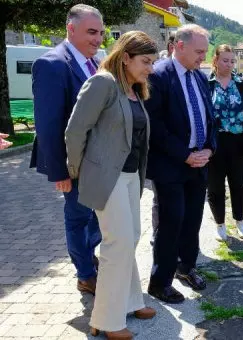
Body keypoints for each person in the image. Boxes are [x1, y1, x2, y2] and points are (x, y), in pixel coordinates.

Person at [65, 30, 158, 340]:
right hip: (108, 176)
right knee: (116, 243)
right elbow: (75, 130)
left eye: (152, 62)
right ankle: (105, 319)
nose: (150, 69)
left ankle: (131, 301)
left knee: (129, 237)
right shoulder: (103, 82)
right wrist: (76, 172)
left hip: (131, 175)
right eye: (145, 62)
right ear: (125, 57)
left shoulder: (134, 88)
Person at [30, 4, 102, 295]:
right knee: (77, 218)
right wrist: (60, 171)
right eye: (91, 32)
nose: (98, 39)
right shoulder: (52, 64)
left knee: (94, 217)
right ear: (70, 29)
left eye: (100, 32)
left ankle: (89, 259)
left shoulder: (94, 63)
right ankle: (85, 275)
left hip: (96, 162)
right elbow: (47, 125)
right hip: (72, 165)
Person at [145, 24, 215, 303]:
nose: (202, 57)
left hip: (199, 163)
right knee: (171, 222)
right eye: (199, 52)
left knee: (193, 220)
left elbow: (209, 118)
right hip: (170, 165)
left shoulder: (198, 77)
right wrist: (185, 154)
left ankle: (186, 267)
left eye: (205, 52)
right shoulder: (158, 75)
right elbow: (155, 125)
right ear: (180, 46)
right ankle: (159, 282)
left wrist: (210, 148)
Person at [207, 45, 243, 241]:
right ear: (216, 60)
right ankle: (220, 224)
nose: (229, 64)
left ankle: (240, 220)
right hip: (214, 143)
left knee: (238, 184)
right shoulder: (208, 84)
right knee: (215, 186)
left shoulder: (242, 85)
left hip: (238, 143)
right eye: (225, 60)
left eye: (232, 61)